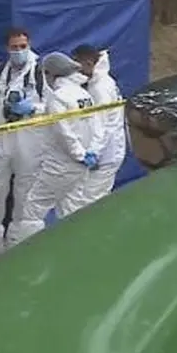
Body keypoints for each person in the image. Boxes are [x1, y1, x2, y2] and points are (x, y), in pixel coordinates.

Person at [15, 52, 104, 244]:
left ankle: (30, 256)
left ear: (51, 74)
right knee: (71, 210)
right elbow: (97, 126)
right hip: (83, 165)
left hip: (62, 164)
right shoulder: (84, 94)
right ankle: (74, 251)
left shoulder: (58, 96)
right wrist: (92, 152)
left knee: (34, 208)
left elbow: (63, 132)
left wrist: (79, 154)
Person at [0, 27, 46, 257]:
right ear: (7, 48)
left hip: (29, 136)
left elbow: (55, 105)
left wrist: (33, 108)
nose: (19, 51)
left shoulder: (41, 71)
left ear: (30, 44)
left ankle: (20, 242)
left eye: (23, 46)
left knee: (26, 189)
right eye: (14, 47)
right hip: (1, 135)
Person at [73, 44, 127, 205]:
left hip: (105, 155)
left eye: (77, 64)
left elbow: (102, 125)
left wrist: (94, 153)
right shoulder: (102, 81)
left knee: (90, 202)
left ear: (88, 63)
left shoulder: (100, 88)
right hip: (108, 151)